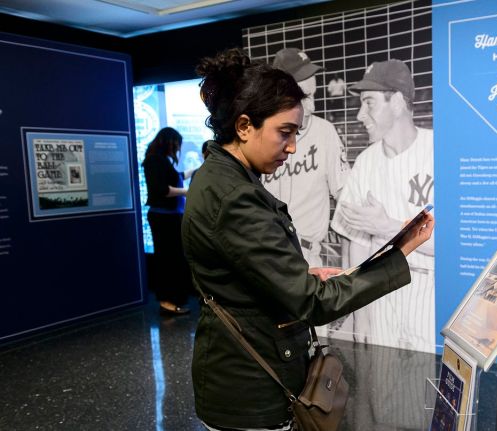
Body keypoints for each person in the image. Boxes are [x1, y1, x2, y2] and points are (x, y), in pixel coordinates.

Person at [183, 48, 434, 431]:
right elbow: (312, 304)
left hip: (244, 374)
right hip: (249, 388)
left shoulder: (222, 176)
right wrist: (398, 253)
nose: (293, 147)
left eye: (296, 133)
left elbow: (242, 271)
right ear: (245, 126)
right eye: (284, 133)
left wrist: (298, 273)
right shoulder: (235, 196)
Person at [330, 59, 436, 353]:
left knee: (426, 393)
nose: (360, 114)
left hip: (429, 301)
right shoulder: (365, 162)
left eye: (369, 103)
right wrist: (359, 315)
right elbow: (357, 245)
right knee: (383, 394)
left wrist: (389, 227)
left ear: (398, 101)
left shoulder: (437, 151)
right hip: (380, 304)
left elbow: (453, 244)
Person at [266, 47, 349, 268]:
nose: (312, 106)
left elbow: (346, 196)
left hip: (307, 258)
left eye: (314, 94)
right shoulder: (258, 137)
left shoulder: (325, 132)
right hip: (264, 257)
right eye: (305, 97)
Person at [142, 127, 195, 315]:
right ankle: (167, 301)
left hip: (169, 216)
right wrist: (187, 192)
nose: (177, 150)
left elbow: (176, 177)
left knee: (173, 259)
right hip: (163, 217)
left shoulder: (160, 160)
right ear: (170, 142)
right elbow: (161, 189)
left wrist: (196, 171)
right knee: (167, 260)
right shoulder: (154, 161)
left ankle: (173, 299)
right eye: (177, 145)